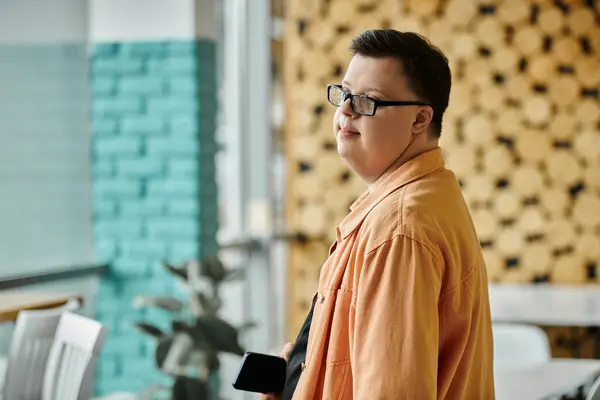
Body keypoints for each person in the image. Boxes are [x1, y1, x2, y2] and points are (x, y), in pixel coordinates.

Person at [262, 29, 495, 400]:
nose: (345, 111)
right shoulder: (418, 198)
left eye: (368, 101)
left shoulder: (400, 229)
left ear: (420, 120)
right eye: (344, 94)